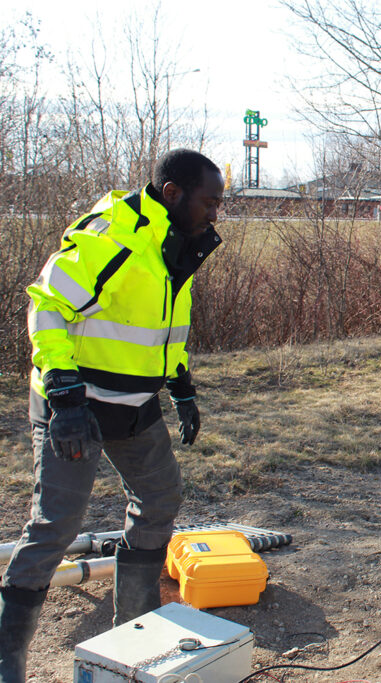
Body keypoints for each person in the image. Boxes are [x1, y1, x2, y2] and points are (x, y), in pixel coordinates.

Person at [0, 149, 224, 683]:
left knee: (160, 498)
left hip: (134, 405)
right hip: (76, 407)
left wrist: (181, 386)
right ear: (172, 193)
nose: (216, 213)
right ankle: (7, 657)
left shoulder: (177, 243)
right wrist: (62, 392)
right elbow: (47, 305)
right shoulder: (114, 237)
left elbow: (159, 325)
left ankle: (136, 631)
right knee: (56, 526)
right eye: (210, 201)